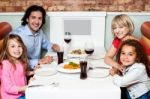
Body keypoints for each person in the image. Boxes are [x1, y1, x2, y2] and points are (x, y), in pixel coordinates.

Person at [11, 5, 60, 69]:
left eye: (40, 18)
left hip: (36, 68)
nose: (37, 22)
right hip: (23, 72)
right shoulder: (17, 35)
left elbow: (46, 43)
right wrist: (39, 61)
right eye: (33, 17)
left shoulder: (40, 32)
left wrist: (53, 46)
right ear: (27, 19)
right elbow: (14, 61)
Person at [0, 34, 29, 99]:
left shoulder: (19, 61)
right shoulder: (5, 64)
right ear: (6, 49)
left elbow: (20, 74)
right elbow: (8, 88)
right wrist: (24, 88)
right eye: (13, 46)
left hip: (21, 93)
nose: (17, 49)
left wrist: (32, 72)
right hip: (10, 97)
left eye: (19, 46)